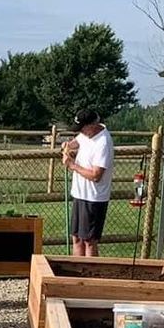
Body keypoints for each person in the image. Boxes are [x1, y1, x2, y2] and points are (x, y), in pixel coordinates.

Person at [62, 110, 113, 257]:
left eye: (82, 129)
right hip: (79, 194)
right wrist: (68, 145)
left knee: (89, 241)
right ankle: (76, 275)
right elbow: (77, 141)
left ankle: (90, 276)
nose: (81, 132)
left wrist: (73, 166)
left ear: (92, 125)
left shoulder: (103, 142)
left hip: (94, 198)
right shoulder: (86, 134)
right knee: (77, 238)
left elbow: (96, 175)